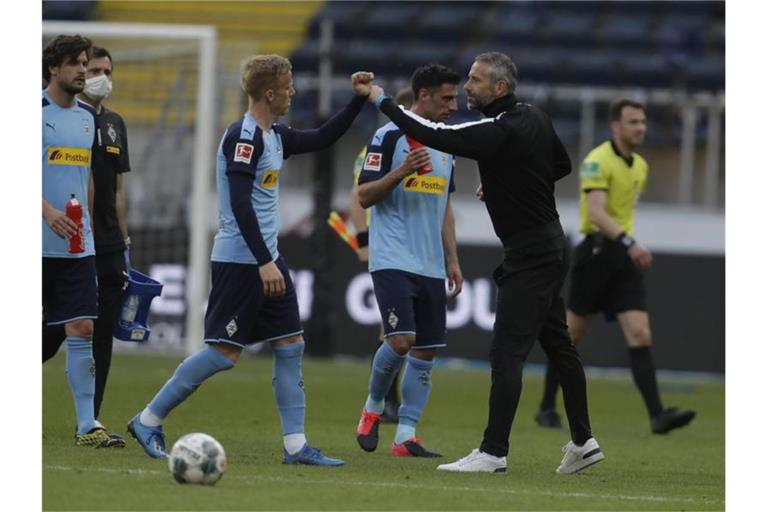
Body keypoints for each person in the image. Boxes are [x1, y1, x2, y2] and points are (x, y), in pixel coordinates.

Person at [127, 54, 374, 466]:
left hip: (266, 258)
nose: (295, 92)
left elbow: (322, 138)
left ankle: (296, 446)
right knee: (223, 354)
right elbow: (240, 205)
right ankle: (147, 418)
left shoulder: (274, 135)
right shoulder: (244, 137)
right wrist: (264, 261)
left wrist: (357, 101)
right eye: (289, 85)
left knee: (291, 344)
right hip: (242, 261)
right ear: (270, 92)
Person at [367, 52, 603, 474]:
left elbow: (437, 134)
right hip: (551, 244)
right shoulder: (534, 117)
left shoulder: (499, 126)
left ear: (499, 88)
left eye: (475, 81)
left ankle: (493, 452)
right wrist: (509, 184)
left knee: (506, 353)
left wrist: (385, 103)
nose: (467, 88)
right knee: (559, 345)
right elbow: (560, 165)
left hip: (530, 254)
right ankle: (583, 441)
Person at [534, 99, 696, 434]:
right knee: (571, 336)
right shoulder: (597, 161)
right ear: (615, 126)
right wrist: (629, 242)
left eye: (643, 122)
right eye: (634, 122)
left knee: (640, 332)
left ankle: (657, 415)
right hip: (595, 254)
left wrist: (626, 245)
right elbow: (596, 213)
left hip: (622, 257)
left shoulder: (640, 166)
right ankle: (547, 406)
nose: (641, 128)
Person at [355, 64, 463, 458]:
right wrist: (400, 171)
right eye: (447, 98)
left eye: (456, 97)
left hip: (431, 262)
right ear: (423, 97)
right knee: (401, 340)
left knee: (427, 350)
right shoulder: (388, 136)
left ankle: (405, 436)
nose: (455, 105)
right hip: (392, 256)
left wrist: (453, 257)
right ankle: (371, 409)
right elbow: (364, 196)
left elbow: (445, 204)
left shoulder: (448, 142)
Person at [43, 45, 132, 449]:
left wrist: (92, 235)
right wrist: (46, 212)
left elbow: (91, 183)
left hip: (78, 249)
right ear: (53, 68)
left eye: (86, 64)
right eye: (76, 64)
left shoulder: (86, 120)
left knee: (82, 327)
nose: (84, 71)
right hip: (36, 245)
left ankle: (86, 426)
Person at [348, 87, 415, 424]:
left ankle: (389, 400)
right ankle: (386, 400)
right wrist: (364, 243)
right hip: (386, 247)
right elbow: (356, 198)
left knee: (400, 331)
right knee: (390, 330)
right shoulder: (378, 145)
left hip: (411, 248)